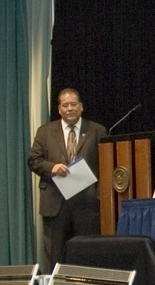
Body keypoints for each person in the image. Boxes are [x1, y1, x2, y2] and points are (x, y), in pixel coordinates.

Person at [28, 89, 107, 268]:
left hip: (87, 203)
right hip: (55, 202)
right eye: (65, 105)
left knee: (88, 254)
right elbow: (33, 160)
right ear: (59, 109)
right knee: (56, 254)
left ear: (81, 107)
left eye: (73, 104)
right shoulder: (45, 132)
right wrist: (52, 167)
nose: (70, 108)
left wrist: (98, 195)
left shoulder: (97, 130)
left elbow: (106, 164)